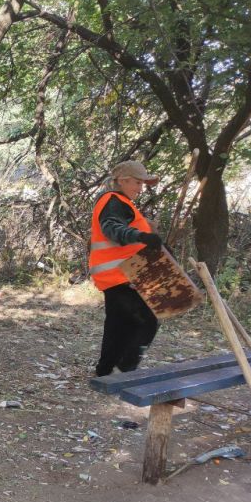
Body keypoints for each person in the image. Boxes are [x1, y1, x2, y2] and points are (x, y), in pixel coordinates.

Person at [89, 160, 163, 377]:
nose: (141, 188)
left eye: (142, 184)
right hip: (119, 274)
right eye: (137, 182)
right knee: (147, 321)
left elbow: (125, 227)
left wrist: (148, 231)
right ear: (122, 181)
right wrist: (141, 235)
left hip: (119, 274)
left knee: (119, 325)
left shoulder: (120, 202)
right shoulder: (113, 201)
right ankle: (125, 370)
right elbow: (112, 228)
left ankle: (105, 371)